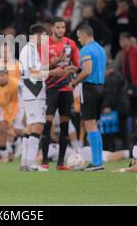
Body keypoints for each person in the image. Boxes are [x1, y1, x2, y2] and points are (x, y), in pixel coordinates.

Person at [19, 24, 62, 171]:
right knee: (38, 124)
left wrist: (52, 66)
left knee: (31, 125)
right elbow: (34, 72)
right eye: (44, 36)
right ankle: (30, 162)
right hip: (34, 90)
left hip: (30, 91)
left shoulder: (29, 49)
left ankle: (25, 162)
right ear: (37, 36)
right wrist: (54, 72)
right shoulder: (30, 50)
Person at [41, 17, 80, 171]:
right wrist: (53, 63)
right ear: (52, 28)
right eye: (58, 27)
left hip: (66, 90)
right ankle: (44, 161)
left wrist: (73, 68)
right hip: (50, 90)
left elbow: (77, 66)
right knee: (47, 124)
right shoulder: (44, 44)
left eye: (63, 27)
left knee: (65, 126)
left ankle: (61, 163)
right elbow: (39, 69)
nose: (61, 30)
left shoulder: (70, 43)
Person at [68, 24, 106, 171]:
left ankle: (96, 163)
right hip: (101, 88)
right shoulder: (101, 49)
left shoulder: (85, 50)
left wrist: (74, 83)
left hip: (89, 89)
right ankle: (99, 161)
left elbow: (88, 71)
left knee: (89, 125)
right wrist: (77, 69)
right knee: (94, 125)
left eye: (79, 35)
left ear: (85, 35)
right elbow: (92, 68)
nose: (78, 39)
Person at [0, 70, 22, 162]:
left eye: (3, 75)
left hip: (16, 107)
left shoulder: (16, 84)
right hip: (1, 108)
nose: (1, 77)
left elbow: (20, 99)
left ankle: (17, 143)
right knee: (0, 130)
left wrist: (16, 115)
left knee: (16, 130)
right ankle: (6, 152)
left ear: (7, 75)